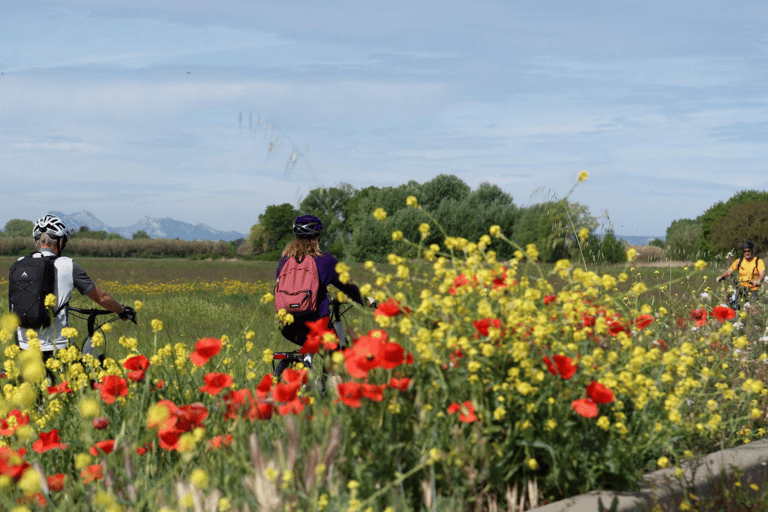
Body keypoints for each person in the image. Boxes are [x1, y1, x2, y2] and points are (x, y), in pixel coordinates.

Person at [12, 215, 136, 362]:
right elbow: (101, 297)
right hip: (57, 346)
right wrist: (122, 311)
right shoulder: (68, 265)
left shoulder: (18, 264)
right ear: (61, 241)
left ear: (37, 241)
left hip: (23, 345)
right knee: (86, 372)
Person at [275, 215, 366, 348]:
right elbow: (349, 288)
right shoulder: (325, 260)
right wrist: (367, 300)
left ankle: (301, 363)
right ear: (317, 237)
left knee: (308, 349)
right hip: (317, 324)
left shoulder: (283, 261)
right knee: (336, 355)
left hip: (288, 327)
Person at [715, 241, 765, 305]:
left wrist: (758, 279)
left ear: (752, 251)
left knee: (753, 307)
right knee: (726, 293)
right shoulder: (739, 261)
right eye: (744, 251)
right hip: (741, 287)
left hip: (753, 288)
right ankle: (726, 308)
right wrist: (722, 276)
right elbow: (729, 271)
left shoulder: (758, 261)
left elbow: (762, 273)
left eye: (748, 251)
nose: (746, 253)